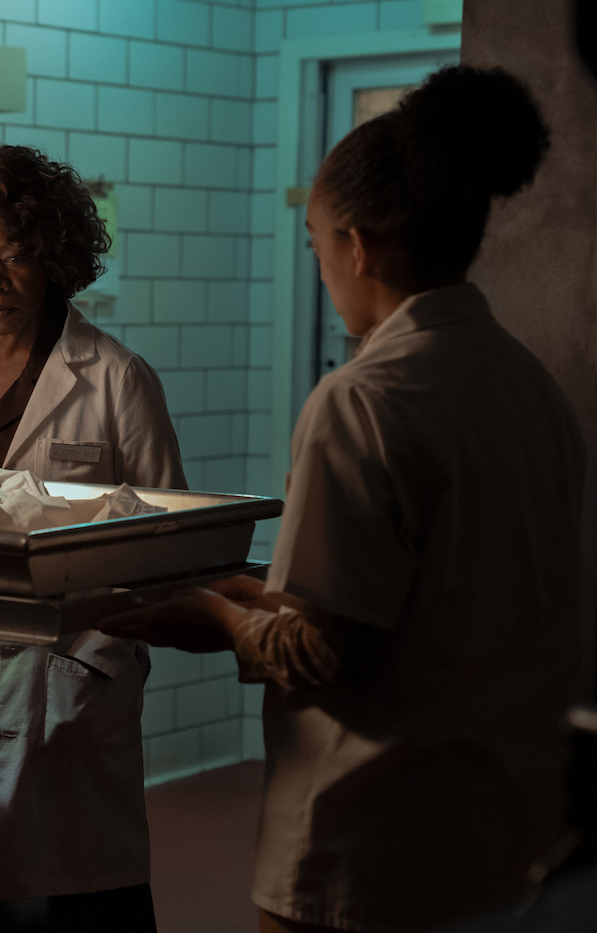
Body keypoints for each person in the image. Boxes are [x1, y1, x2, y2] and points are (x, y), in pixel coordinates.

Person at [100, 66, 586, 932]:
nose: (322, 266)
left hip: (367, 842)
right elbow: (433, 603)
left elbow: (327, 654)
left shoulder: (362, 399)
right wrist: (255, 595)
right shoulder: (530, 387)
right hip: (501, 830)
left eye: (317, 244)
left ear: (358, 245)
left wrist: (210, 618)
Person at [0, 144, 185, 932]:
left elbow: (168, 553)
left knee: (64, 904)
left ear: (51, 251)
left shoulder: (116, 379)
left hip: (61, 689)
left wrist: (100, 664)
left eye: (13, 258)